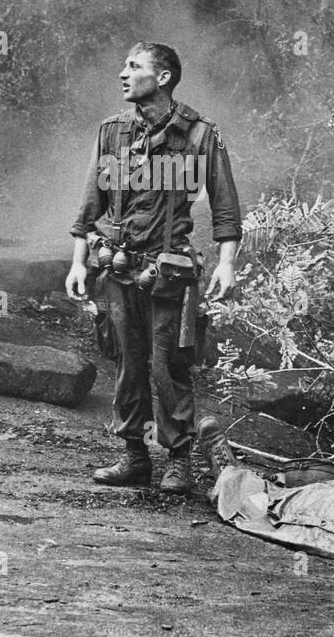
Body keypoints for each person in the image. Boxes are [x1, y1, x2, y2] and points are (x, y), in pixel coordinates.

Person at [65, 43, 241, 496]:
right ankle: (135, 457)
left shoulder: (202, 136)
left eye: (134, 67)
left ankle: (178, 461)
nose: (123, 73)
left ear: (162, 78)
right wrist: (79, 263)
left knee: (169, 367)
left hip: (169, 274)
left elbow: (224, 207)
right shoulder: (111, 132)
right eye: (125, 65)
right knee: (127, 365)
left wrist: (226, 263)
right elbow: (90, 205)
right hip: (118, 268)